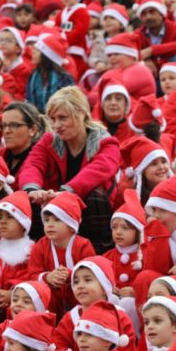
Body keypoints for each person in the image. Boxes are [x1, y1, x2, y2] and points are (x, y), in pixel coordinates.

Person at [17, 87, 120, 251]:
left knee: (95, 196)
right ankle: (37, 251)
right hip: (57, 204)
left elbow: (98, 170)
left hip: (91, 210)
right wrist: (32, 189)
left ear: (81, 113)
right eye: (52, 119)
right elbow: (32, 164)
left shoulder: (106, 142)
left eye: (62, 118)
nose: (56, 125)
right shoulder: (49, 140)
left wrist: (68, 192)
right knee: (29, 199)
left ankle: (100, 253)